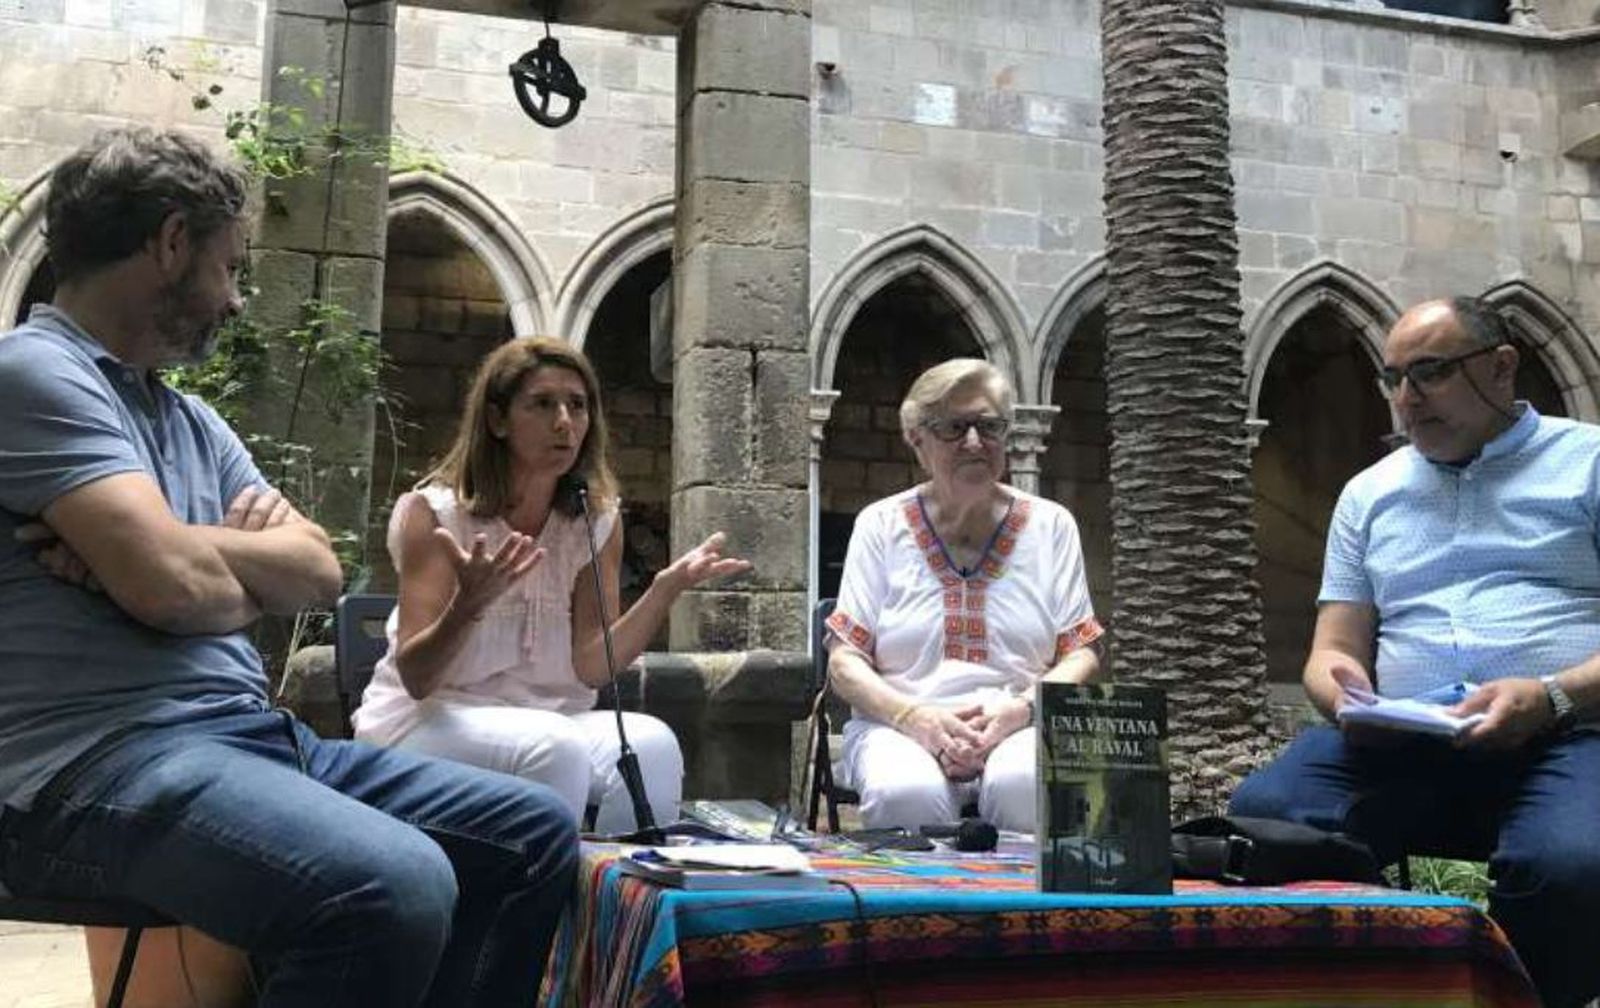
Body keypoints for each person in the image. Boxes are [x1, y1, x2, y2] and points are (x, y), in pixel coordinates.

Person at [0, 128, 578, 1008]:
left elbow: (318, 571)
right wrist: (201, 571)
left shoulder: (191, 419)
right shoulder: (34, 375)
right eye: (231, 268)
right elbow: (173, 587)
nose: (235, 301)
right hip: (91, 768)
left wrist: (165, 544)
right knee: (392, 883)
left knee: (534, 833)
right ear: (169, 243)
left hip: (249, 743)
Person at [1229, 297, 1600, 1008]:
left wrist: (1550, 696)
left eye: (1429, 372)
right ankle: (1375, 991)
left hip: (1569, 732)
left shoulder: (1587, 465)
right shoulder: (1370, 494)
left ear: (1500, 367)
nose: (1406, 398)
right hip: (1407, 738)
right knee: (1267, 815)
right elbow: (1332, 649)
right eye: (1393, 377)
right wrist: (1345, 699)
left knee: (1570, 867)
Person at [352, 337, 749, 834]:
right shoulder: (436, 515)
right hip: (429, 719)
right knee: (553, 747)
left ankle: (617, 907)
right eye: (542, 404)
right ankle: (541, 907)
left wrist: (662, 592)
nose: (565, 422)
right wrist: (468, 605)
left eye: (577, 406)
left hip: (547, 716)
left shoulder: (594, 519)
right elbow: (417, 678)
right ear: (497, 420)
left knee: (653, 745)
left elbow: (591, 665)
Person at [824, 358, 1103, 832]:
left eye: (989, 426)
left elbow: (1083, 654)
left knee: (1024, 784)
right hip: (899, 724)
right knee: (905, 792)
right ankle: (913, 908)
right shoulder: (881, 524)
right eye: (955, 428)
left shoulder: (1051, 525)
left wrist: (1023, 709)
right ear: (918, 439)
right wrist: (915, 718)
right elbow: (844, 663)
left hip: (1021, 722)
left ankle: (1020, 910)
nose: (974, 442)